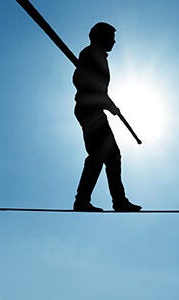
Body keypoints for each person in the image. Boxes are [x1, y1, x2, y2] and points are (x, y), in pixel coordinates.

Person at [71, 22, 142, 212]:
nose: (114, 41)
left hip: (93, 110)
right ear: (100, 37)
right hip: (89, 110)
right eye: (111, 37)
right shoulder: (90, 54)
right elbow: (80, 80)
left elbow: (97, 87)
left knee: (108, 155)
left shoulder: (98, 56)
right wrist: (103, 101)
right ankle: (90, 200)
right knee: (103, 155)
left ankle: (109, 200)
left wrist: (108, 104)